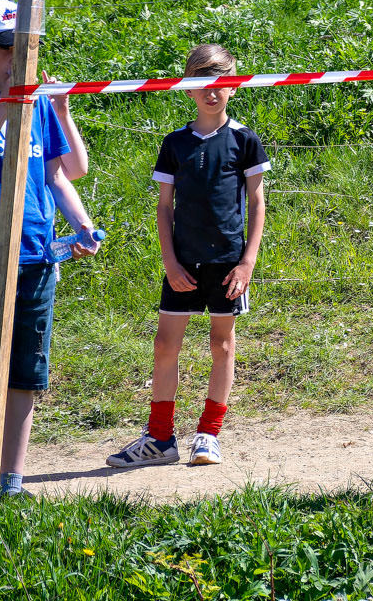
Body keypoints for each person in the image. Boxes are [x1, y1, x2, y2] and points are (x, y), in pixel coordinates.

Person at [0, 0, 99, 499]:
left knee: (26, 372)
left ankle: (12, 483)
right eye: (5, 45)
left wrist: (82, 224)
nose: (17, 56)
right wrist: (4, 103)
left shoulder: (37, 103)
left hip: (36, 253)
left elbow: (57, 175)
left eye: (26, 46)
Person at [104, 44, 270, 470]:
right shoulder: (175, 143)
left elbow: (257, 203)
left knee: (221, 344)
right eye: (202, 83)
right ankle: (160, 439)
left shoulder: (245, 140)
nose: (211, 92)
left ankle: (208, 435)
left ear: (233, 85)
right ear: (189, 88)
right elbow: (164, 207)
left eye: (220, 82)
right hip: (183, 262)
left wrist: (247, 262)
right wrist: (170, 262)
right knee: (164, 345)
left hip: (228, 263)